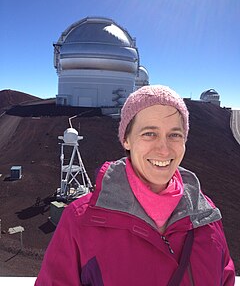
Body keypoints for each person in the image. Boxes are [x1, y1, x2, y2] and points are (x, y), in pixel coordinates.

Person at [35, 85, 235, 285]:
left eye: (175, 134)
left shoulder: (206, 216)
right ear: (126, 140)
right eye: (149, 133)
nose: (164, 150)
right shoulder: (81, 220)